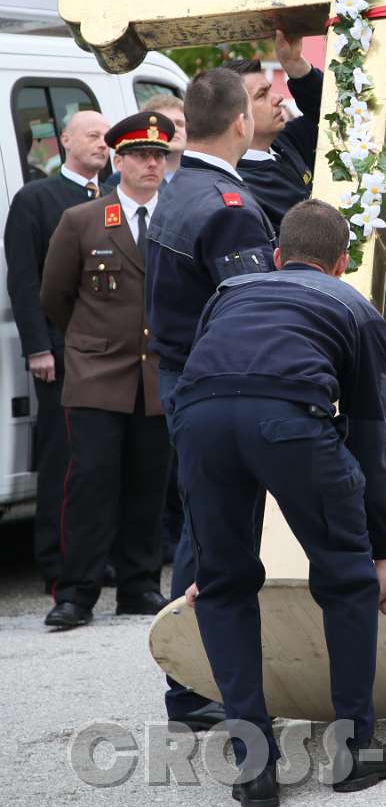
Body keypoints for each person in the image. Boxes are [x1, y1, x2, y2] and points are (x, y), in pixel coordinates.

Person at [172, 200, 386, 807]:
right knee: (345, 576)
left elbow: (219, 388)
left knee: (224, 586)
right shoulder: (354, 307)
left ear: (277, 257)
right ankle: (353, 751)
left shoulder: (228, 292)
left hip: (198, 420)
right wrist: (381, 553)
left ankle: (254, 767)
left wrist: (207, 556)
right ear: (341, 264)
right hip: (289, 420)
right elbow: (370, 439)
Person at [146, 66, 277, 731]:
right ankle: (196, 683)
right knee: (216, 536)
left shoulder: (177, 189)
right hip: (217, 382)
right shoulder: (226, 204)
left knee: (205, 530)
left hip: (185, 376)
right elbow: (247, 315)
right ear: (239, 122)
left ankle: (192, 681)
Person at [40, 112, 175, 627]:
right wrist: (90, 342)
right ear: (119, 161)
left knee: (148, 485)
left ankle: (140, 585)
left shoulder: (177, 220)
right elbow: (55, 295)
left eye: (159, 155)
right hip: (98, 375)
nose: (151, 164)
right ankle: (76, 593)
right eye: (140, 155)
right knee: (91, 486)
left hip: (155, 375)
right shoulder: (84, 220)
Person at [4, 109, 110, 590]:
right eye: (92, 135)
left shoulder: (113, 197)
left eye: (107, 137)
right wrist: (37, 349)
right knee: (64, 460)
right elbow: (24, 280)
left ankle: (98, 557)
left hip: (111, 352)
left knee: (103, 461)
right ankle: (57, 561)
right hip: (61, 351)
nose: (102, 143)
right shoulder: (36, 199)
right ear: (65, 140)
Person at [233, 32, 323, 228]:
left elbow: (328, 115)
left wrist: (295, 64)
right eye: (262, 95)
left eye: (270, 89)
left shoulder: (285, 142)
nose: (278, 98)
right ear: (237, 115)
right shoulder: (241, 186)